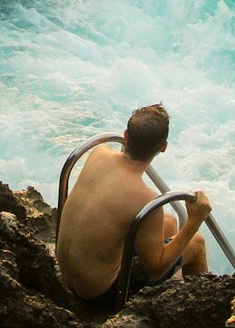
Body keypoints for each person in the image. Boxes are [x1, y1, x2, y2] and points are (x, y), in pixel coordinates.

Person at [56, 104, 211, 310]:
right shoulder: (147, 199)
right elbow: (154, 269)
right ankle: (200, 314)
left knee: (170, 223)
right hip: (99, 295)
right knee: (197, 243)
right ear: (163, 147)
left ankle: (170, 295)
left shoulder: (98, 153)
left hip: (67, 276)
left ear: (126, 136)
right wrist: (194, 221)